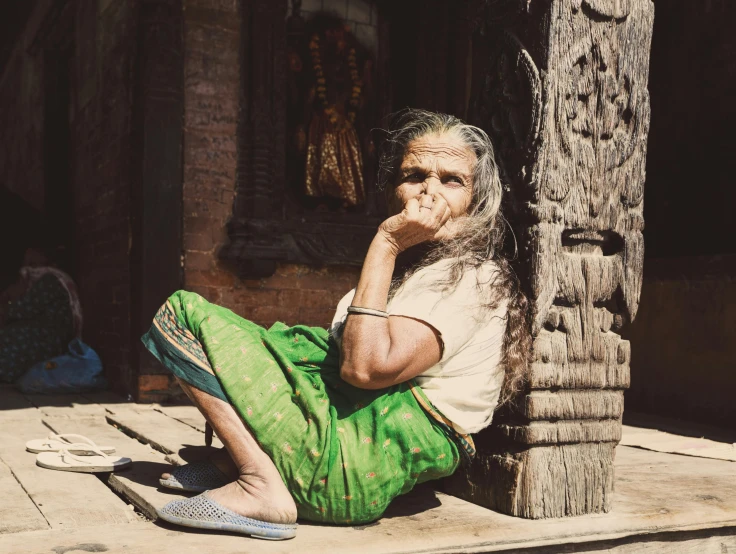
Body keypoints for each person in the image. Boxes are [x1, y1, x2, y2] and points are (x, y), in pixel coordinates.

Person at [142, 109, 531, 540]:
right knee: (278, 342)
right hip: (345, 451)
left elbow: (364, 370)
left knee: (181, 316)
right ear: (392, 191)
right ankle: (234, 463)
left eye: (452, 180)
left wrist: (387, 241)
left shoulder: (473, 278)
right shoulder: (414, 273)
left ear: (477, 201)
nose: (428, 191)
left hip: (349, 465)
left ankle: (260, 485)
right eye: (414, 174)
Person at [0, 246, 82, 383]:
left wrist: (9, 300)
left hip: (49, 337)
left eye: (31, 262)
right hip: (50, 334)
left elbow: (22, 309)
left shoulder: (51, 279)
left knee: (7, 336)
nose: (27, 267)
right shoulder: (56, 278)